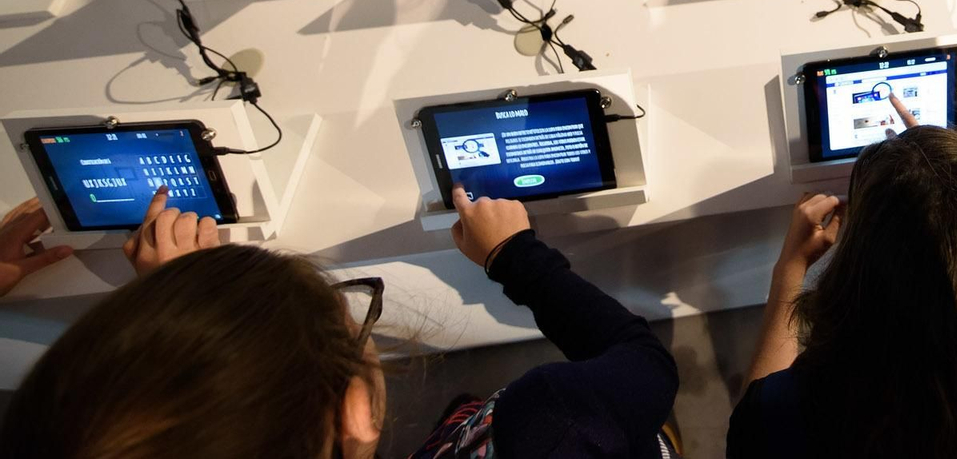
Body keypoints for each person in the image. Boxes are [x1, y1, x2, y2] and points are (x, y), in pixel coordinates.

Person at [0, 185, 683, 458]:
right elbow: (640, 358)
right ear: (355, 409)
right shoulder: (553, 417)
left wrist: (179, 314)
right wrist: (517, 257)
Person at [726, 102, 957, 457]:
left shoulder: (779, 424)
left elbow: (758, 415)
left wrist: (789, 272)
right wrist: (953, 172)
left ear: (858, 289)